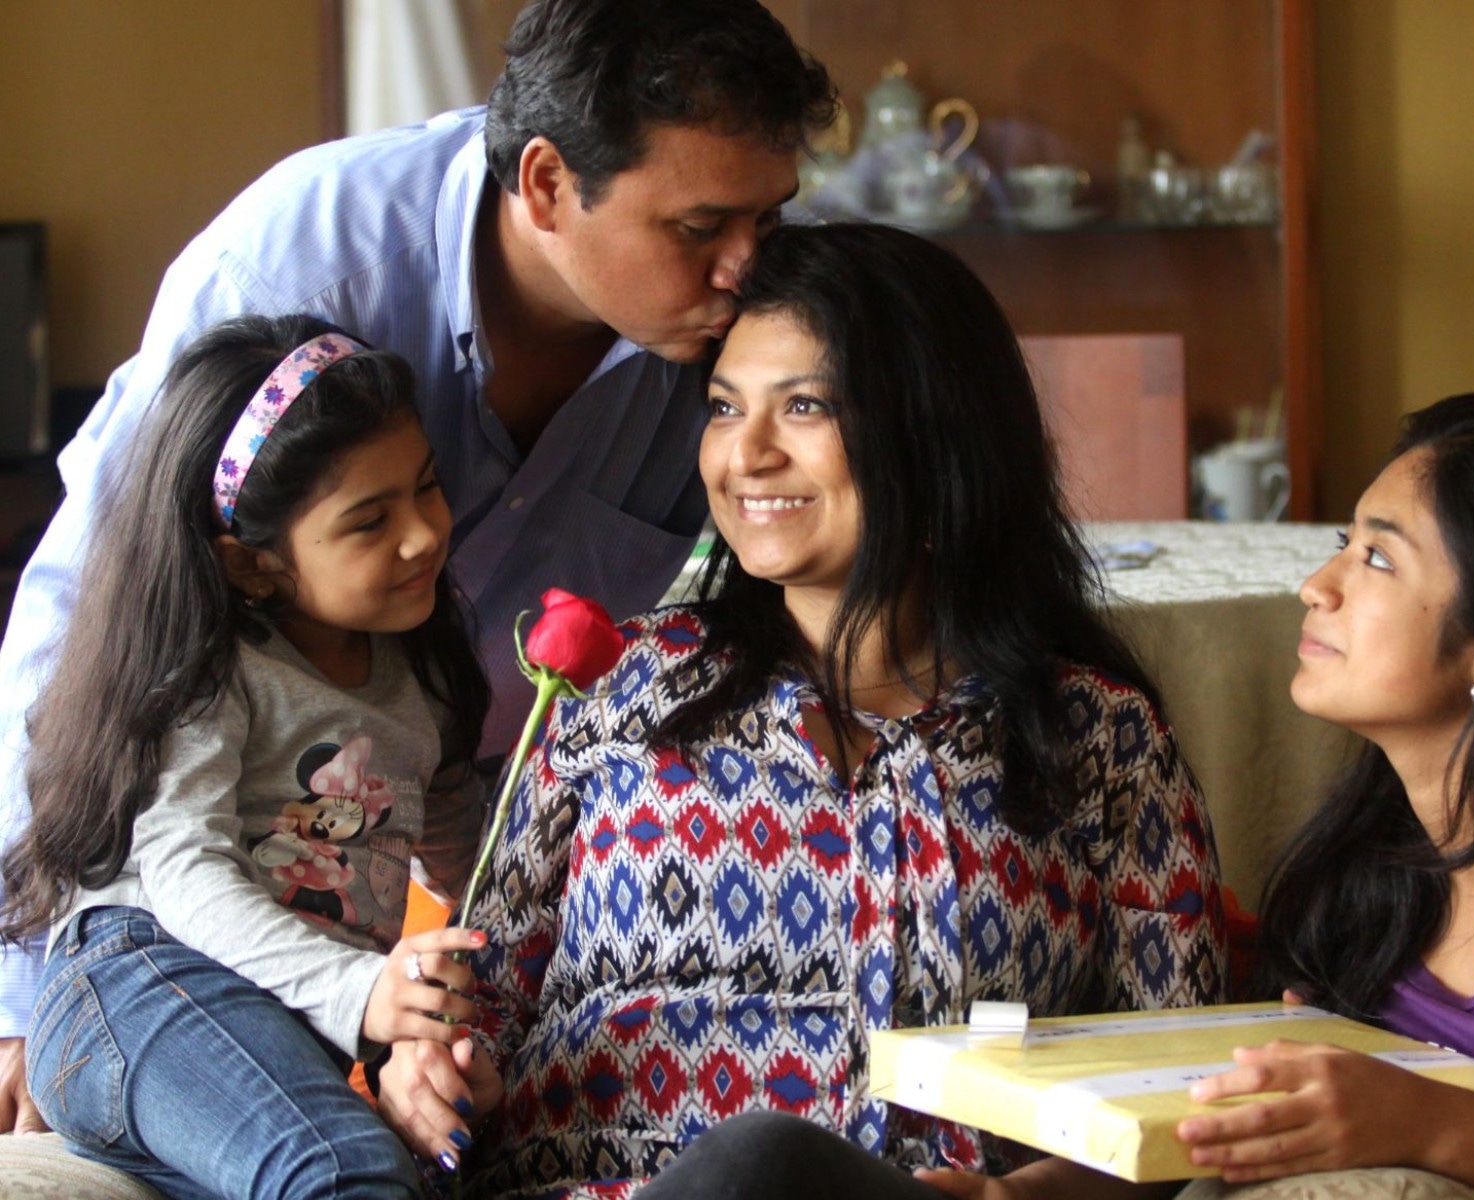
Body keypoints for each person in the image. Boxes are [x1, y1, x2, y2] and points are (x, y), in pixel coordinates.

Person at [0, 0, 836, 1132]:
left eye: (767, 218)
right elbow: (86, 617)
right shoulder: (304, 265)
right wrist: (23, 990)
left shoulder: (724, 347)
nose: (748, 267)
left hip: (400, 886)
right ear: (545, 185)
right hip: (167, 920)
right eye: (699, 227)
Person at [377, 222, 1225, 1197]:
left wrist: (1004, 1199)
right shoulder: (622, 683)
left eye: (806, 406)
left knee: (765, 1165)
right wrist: (436, 1065)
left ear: (935, 431)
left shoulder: (1097, 737)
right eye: (725, 406)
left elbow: (1175, 1102)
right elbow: (487, 984)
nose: (746, 454)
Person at [0, 314, 498, 1197]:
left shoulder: (424, 676)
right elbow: (184, 872)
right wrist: (360, 997)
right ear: (251, 565)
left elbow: (478, 865)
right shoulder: (217, 670)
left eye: (425, 488)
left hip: (270, 1038)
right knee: (345, 1172)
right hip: (138, 986)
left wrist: (444, 1029)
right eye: (368, 521)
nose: (424, 534)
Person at [1174, 394, 1474, 1198]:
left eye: (1377, 558)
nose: (1314, 586)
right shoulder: (1370, 854)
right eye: (1345, 543)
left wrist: (1423, 1121)